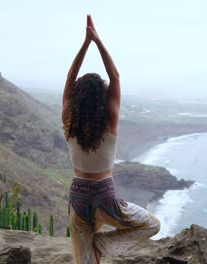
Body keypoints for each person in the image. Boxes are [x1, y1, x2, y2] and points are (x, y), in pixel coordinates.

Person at [62, 15, 161, 264]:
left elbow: (68, 79)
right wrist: (97, 41)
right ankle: (102, 245)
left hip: (78, 197)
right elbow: (115, 76)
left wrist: (84, 44)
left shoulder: (69, 121)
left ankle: (94, 250)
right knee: (152, 224)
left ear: (76, 98)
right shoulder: (110, 122)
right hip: (105, 196)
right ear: (102, 97)